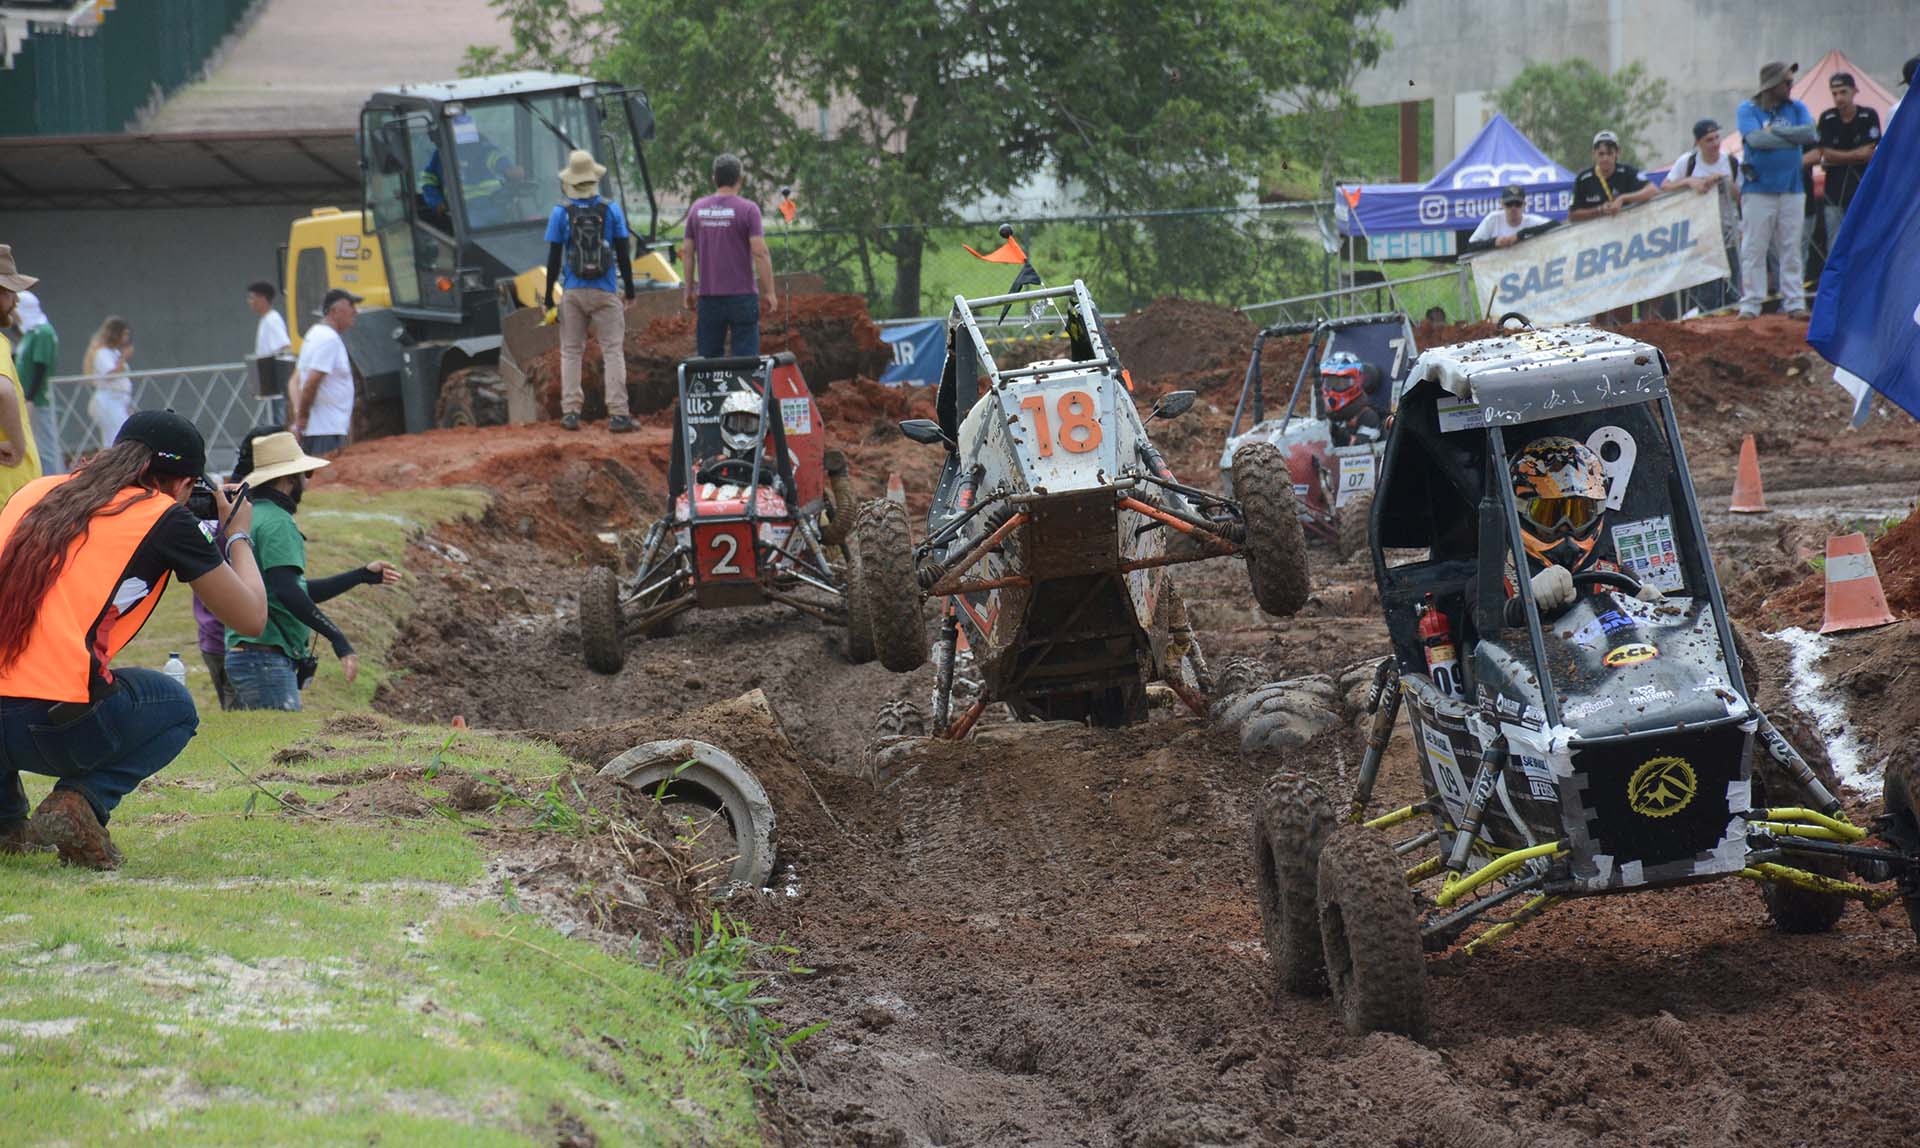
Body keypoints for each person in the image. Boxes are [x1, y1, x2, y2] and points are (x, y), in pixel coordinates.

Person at [0, 410, 265, 868]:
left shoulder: (35, 492)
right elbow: (252, 616)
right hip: (55, 726)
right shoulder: (162, 516)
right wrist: (237, 533)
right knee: (174, 705)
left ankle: (7, 822)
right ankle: (81, 801)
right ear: (184, 485)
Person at [223, 432, 401, 712]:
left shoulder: (253, 515)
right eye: (305, 474)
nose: (307, 482)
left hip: (249, 657)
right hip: (266, 661)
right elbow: (288, 592)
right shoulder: (279, 523)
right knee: (278, 746)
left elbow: (290, 590)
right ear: (287, 479)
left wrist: (360, 576)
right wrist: (337, 638)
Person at [1499, 436, 1660, 627]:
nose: (1565, 527)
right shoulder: (1495, 583)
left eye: (1578, 514)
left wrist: (1655, 608)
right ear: (1520, 514)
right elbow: (1486, 625)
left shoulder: (1617, 578)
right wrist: (1525, 602)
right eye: (1549, 514)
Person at [543, 150, 638, 434]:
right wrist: (629, 291)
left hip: (573, 292)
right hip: (606, 291)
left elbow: (553, 258)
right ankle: (619, 415)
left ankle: (571, 413)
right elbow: (623, 254)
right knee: (612, 351)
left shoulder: (561, 212)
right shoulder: (611, 210)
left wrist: (549, 298)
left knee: (571, 351)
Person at [191, 424, 276, 710]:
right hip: (230, 641)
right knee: (247, 723)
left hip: (215, 637)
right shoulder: (236, 512)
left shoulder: (225, 504)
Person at [1735, 61, 1817, 319]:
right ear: (1771, 85)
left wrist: (1777, 131)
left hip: (1792, 188)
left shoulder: (1797, 107)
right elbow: (1756, 139)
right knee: (1754, 248)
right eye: (1787, 82)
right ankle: (1751, 303)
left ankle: (1794, 302)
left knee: (1791, 247)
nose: (1791, 86)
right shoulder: (1747, 109)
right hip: (1758, 188)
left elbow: (1810, 134)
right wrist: (1789, 139)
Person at [682, 153, 778, 359]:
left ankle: (713, 391)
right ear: (740, 179)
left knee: (708, 362)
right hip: (742, 297)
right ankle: (744, 391)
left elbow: (688, 253)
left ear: (714, 178)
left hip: (708, 297)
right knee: (745, 361)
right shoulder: (749, 210)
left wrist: (688, 290)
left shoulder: (697, 209)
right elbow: (760, 252)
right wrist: (770, 292)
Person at [1664, 119, 1741, 312]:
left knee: (1732, 281)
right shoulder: (1688, 162)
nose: (1715, 144)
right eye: (1709, 140)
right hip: (1699, 233)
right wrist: (1690, 181)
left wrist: (1724, 182)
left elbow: (1741, 195)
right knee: (1707, 285)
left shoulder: (1730, 161)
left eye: (1717, 138)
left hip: (1727, 229)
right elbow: (1665, 186)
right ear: (1698, 143)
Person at [1813, 72, 1881, 255]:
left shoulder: (1868, 115)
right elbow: (1824, 153)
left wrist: (1839, 156)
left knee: (1865, 237)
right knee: (1835, 241)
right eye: (1834, 93)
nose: (1839, 98)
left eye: (1843, 92)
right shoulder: (1828, 118)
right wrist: (1855, 154)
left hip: (1862, 187)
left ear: (1854, 91)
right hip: (1834, 191)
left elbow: (1870, 151)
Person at [288, 289, 360, 456]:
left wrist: (299, 418)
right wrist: (302, 417)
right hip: (327, 432)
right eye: (350, 305)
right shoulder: (328, 339)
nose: (355, 311)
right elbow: (311, 383)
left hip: (321, 429)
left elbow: (294, 381)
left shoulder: (314, 335)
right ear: (334, 311)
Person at [0, 249, 44, 506]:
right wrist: (18, 447)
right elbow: (3, 391)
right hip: (10, 495)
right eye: (9, 291)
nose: (16, 300)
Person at [420, 127, 526, 230]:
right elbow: (428, 181)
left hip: (495, 204)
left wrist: (509, 170)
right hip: (464, 211)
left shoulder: (483, 149)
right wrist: (436, 202)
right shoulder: (441, 156)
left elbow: (496, 159)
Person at [8, 289, 61, 476]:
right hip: (27, 396)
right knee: (36, 444)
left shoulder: (42, 332)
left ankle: (53, 482)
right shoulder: (30, 333)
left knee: (45, 446)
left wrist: (30, 397)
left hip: (38, 398)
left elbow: (40, 365)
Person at [1566, 131, 1659, 222]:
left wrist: (1623, 198)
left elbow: (1653, 190)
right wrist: (1599, 210)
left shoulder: (1627, 172)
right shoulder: (1583, 179)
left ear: (1618, 153)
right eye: (1601, 154)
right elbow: (1572, 215)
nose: (1605, 158)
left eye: (1609, 153)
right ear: (1594, 154)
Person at [83, 315, 134, 449]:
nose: (126, 338)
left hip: (118, 400)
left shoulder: (113, 352)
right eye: (124, 334)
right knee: (116, 439)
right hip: (108, 399)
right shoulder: (102, 353)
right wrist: (124, 358)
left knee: (119, 436)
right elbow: (110, 374)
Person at [1317, 351, 1384, 448]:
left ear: (1357, 382)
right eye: (1330, 382)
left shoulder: (1368, 416)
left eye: (1341, 383)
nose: (1333, 388)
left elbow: (1360, 447)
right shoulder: (1325, 414)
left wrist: (1334, 430)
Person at [1465, 185, 1551, 250]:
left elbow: (1556, 225)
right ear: (1502, 204)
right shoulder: (1493, 219)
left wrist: (1521, 235)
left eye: (1517, 204)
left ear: (1524, 205)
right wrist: (1494, 242)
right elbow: (1470, 246)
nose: (1513, 208)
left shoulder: (1531, 220)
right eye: (1509, 204)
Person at [248, 281, 291, 359]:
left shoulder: (272, 320)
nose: (249, 302)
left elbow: (284, 347)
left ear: (263, 299)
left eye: (252, 298)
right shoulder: (265, 319)